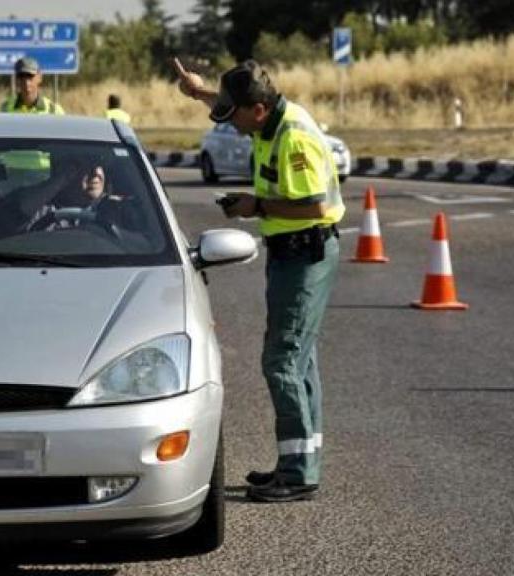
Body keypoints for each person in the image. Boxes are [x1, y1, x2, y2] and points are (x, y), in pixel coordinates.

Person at [173, 58, 345, 503]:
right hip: (292, 251)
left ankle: (297, 473)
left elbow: (312, 206)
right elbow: (232, 105)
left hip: (304, 250)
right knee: (300, 361)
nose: (231, 127)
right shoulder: (269, 119)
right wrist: (201, 93)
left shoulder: (294, 139)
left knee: (282, 361)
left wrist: (255, 207)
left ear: (259, 111)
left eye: (236, 117)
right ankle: (300, 462)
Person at [0, 57, 65, 115]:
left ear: (39, 77)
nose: (26, 81)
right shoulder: (5, 110)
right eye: (21, 76)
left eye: (30, 76)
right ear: (16, 79)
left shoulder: (54, 111)